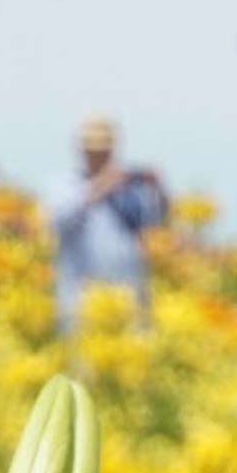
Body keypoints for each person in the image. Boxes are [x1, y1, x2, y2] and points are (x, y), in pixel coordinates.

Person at [53, 115, 168, 329]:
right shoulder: (66, 185)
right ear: (82, 150)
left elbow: (157, 220)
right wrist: (99, 187)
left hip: (128, 296)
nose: (99, 156)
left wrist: (158, 187)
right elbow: (60, 222)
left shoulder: (130, 190)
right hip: (82, 298)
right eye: (93, 150)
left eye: (104, 150)